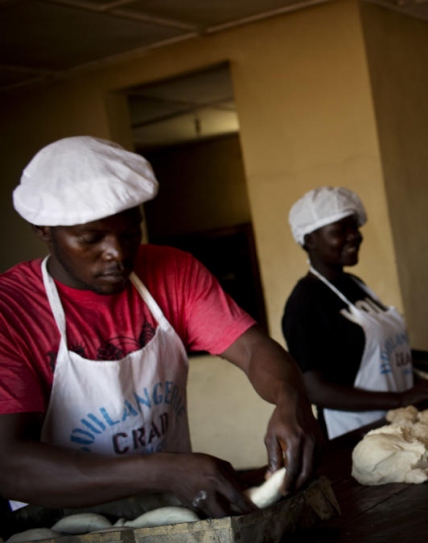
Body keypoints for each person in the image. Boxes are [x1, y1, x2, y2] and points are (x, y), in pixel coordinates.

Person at [0, 136, 323, 520]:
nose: (117, 254)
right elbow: (9, 463)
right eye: (91, 239)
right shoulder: (11, 310)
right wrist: (164, 470)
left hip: (175, 512)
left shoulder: (173, 271)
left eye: (129, 233)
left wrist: (291, 399)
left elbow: (252, 350)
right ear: (44, 229)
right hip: (59, 522)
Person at [282, 187, 428, 442]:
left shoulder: (355, 284)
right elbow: (314, 389)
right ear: (309, 240)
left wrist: (426, 385)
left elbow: (385, 359)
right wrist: (401, 398)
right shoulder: (305, 303)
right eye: (340, 230)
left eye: (354, 227)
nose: (354, 236)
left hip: (399, 421)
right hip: (357, 435)